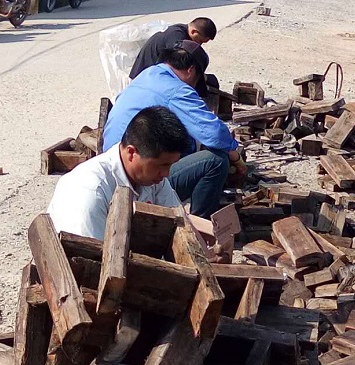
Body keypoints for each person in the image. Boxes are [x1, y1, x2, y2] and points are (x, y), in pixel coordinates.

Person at [104, 41, 244, 219]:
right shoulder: (176, 89)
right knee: (216, 160)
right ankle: (201, 225)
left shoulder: (148, 74)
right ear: (191, 70)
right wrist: (236, 157)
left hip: (114, 163)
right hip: (138, 176)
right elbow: (213, 133)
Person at [48, 107, 188, 241]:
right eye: (162, 165)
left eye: (170, 165)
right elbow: (87, 253)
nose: (166, 173)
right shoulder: (90, 191)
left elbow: (180, 224)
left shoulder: (152, 178)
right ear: (131, 153)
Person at [130, 17, 217, 80]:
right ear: (194, 32)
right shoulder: (176, 37)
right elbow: (179, 67)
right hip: (145, 77)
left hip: (155, 73)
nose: (199, 44)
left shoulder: (180, 32)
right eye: (200, 41)